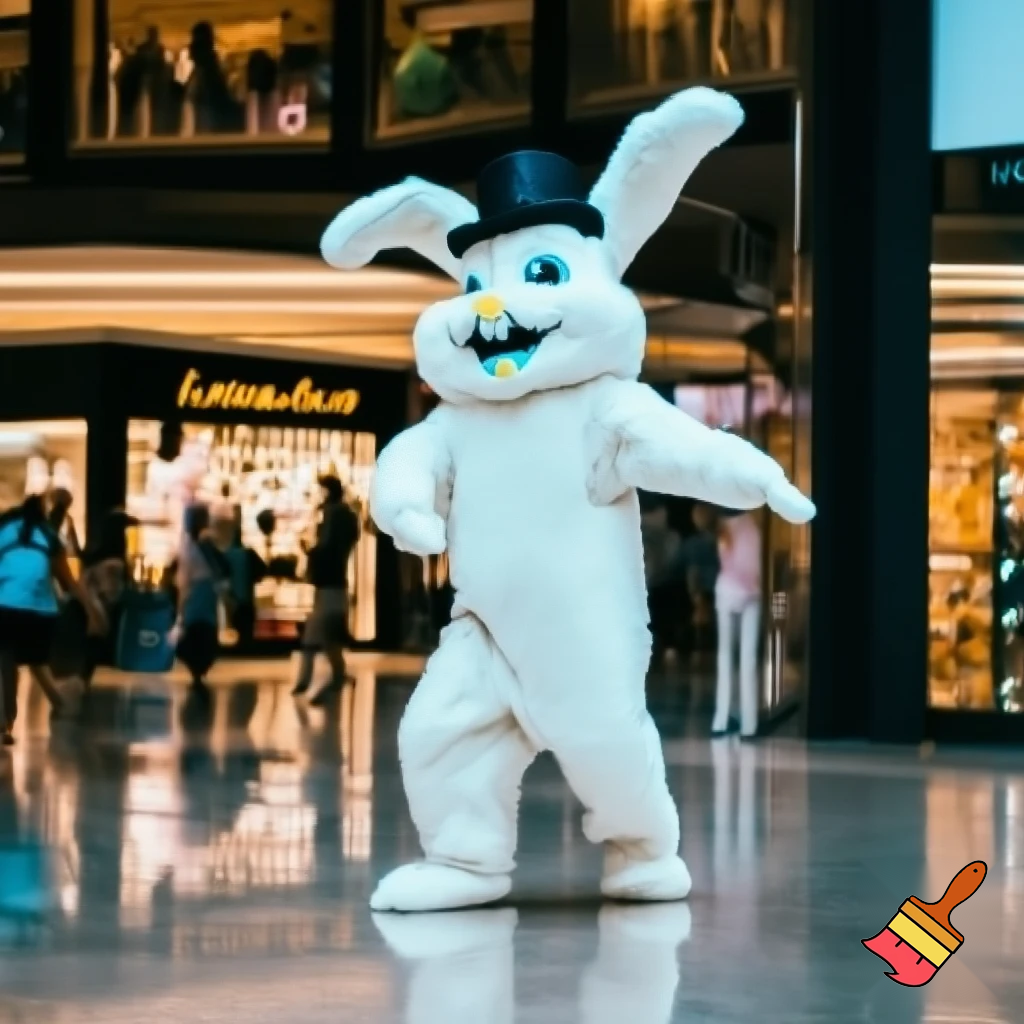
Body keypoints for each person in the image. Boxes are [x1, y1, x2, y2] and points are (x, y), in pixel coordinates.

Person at [0, 495, 104, 745]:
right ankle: (56, 703)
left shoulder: (4, 531)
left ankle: (6, 724)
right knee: (33, 659)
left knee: (6, 659)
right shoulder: (48, 535)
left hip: (4, 606)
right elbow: (68, 580)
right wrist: (92, 612)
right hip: (41, 613)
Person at [293, 475, 359, 703]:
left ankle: (329, 678)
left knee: (326, 636)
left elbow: (328, 546)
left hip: (329, 584)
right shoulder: (346, 515)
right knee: (325, 636)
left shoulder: (333, 515)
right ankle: (313, 680)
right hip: (334, 583)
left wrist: (310, 552)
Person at [711, 510, 763, 739]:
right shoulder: (752, 529)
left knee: (725, 657)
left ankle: (721, 719)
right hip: (750, 596)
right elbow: (753, 570)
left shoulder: (723, 528)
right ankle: (748, 723)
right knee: (747, 659)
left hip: (725, 594)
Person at [172, 504, 231, 688]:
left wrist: (180, 606)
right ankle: (201, 666)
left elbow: (185, 577)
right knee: (205, 628)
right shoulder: (208, 542)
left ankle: (196, 667)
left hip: (195, 592)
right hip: (208, 593)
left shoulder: (188, 545)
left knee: (194, 629)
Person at [78, 510, 136, 688]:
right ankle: (86, 674)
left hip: (93, 601)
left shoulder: (99, 554)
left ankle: (85, 674)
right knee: (100, 638)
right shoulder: (115, 558)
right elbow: (112, 588)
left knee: (94, 639)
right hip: (103, 602)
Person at [223, 525, 267, 648]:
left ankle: (241, 643)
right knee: (247, 623)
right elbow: (262, 569)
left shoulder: (227, 554)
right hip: (247, 596)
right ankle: (247, 643)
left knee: (238, 620)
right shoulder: (248, 553)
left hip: (234, 597)